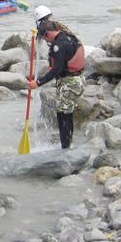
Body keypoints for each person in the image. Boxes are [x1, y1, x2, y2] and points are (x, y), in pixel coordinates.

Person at [26, 12, 85, 149]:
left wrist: (38, 82)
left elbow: (56, 70)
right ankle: (67, 143)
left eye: (45, 39)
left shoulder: (59, 44)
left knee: (63, 115)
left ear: (48, 34)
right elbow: (59, 65)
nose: (47, 42)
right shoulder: (67, 36)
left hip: (70, 83)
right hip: (75, 80)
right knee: (65, 113)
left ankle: (65, 147)